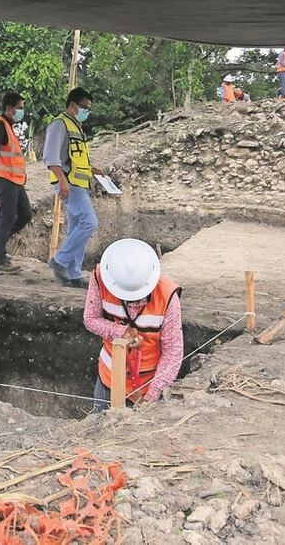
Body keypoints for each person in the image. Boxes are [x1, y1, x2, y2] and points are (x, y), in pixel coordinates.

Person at [84, 239, 183, 413]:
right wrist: (121, 332)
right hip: (108, 380)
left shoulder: (167, 296)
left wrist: (152, 397)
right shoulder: (101, 277)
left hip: (148, 385)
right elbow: (90, 319)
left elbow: (173, 352)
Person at [44, 87, 104, 288]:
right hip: (70, 185)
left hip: (81, 184)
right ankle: (60, 260)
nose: (87, 111)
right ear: (72, 105)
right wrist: (62, 181)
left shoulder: (76, 126)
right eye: (84, 107)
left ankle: (73, 274)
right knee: (89, 222)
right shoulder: (59, 124)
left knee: (76, 228)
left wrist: (93, 170)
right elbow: (51, 157)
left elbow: (75, 158)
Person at [0, 91, 32, 273]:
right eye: (20, 108)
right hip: (5, 180)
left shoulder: (7, 126)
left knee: (25, 214)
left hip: (14, 181)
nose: (22, 111)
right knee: (8, 217)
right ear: (10, 109)